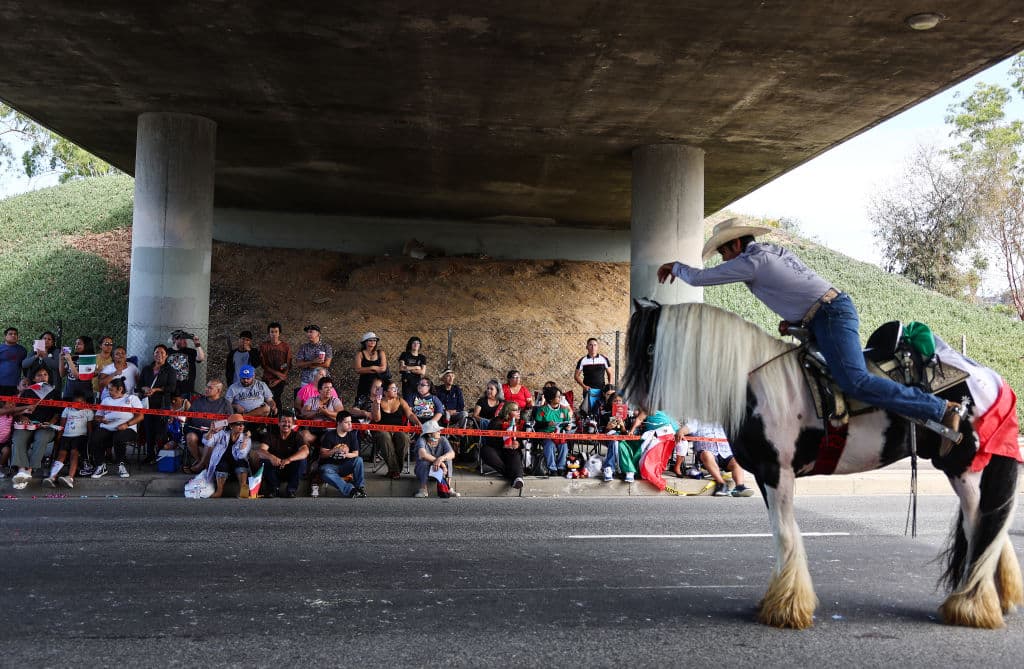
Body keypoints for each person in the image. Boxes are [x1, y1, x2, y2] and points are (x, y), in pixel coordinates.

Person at [657, 217, 960, 451]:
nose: (724, 260)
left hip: (830, 316)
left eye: (724, 252)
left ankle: (940, 409)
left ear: (735, 245)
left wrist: (677, 267)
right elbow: (799, 289)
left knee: (854, 381)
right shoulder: (772, 252)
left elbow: (700, 278)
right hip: (823, 316)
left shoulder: (751, 261)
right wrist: (795, 323)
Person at [9, 367, 61, 489]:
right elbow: (17, 410)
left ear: (49, 377)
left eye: (45, 374)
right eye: (39, 375)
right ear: (33, 378)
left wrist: (50, 422)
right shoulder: (27, 392)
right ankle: (21, 469)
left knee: (41, 437)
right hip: (28, 425)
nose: (42, 377)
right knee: (18, 437)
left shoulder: (54, 392)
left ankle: (29, 470)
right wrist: (22, 416)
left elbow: (58, 412)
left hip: (46, 426)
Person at [88, 378, 144, 480]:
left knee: (119, 436)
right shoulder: (106, 400)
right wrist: (102, 420)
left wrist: (127, 424)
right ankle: (100, 465)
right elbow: (97, 417)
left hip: (127, 428)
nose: (109, 392)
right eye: (108, 389)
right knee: (95, 437)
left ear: (120, 389)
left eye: (111, 390)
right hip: (107, 427)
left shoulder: (132, 398)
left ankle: (121, 465)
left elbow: (140, 416)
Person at [686, 419, 754, 497]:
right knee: (706, 454)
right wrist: (681, 432)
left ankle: (740, 487)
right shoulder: (697, 421)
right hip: (708, 453)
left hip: (726, 453)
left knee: (737, 460)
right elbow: (685, 429)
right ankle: (722, 484)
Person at [44, 388, 94, 488]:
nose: (78, 405)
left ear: (84, 402)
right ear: (72, 402)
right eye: (75, 403)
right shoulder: (67, 409)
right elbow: (62, 425)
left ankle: (70, 478)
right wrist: (59, 436)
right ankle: (52, 476)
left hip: (80, 437)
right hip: (66, 436)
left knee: (74, 453)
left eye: (80, 403)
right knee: (61, 454)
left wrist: (90, 439)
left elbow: (90, 428)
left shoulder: (88, 411)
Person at [254, 409, 308, 498]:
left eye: (289, 422)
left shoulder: (296, 436)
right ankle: (274, 489)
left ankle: (291, 490)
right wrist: (271, 457)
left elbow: (305, 451)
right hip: (275, 468)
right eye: (283, 421)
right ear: (278, 423)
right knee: (263, 460)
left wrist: (289, 460)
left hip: (290, 468)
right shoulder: (271, 435)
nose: (286, 424)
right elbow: (261, 450)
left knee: (302, 461)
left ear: (292, 424)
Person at [182, 379, 232, 474]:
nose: (206, 389)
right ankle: (202, 463)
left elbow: (230, 420)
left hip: (214, 432)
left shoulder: (225, 403)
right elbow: (189, 417)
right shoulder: (198, 401)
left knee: (211, 438)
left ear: (218, 391)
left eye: (210, 388)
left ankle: (200, 465)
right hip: (197, 430)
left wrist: (219, 425)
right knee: (190, 437)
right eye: (206, 387)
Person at [371, 380, 418, 479]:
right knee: (385, 436)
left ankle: (394, 470)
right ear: (385, 392)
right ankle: (395, 470)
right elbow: (376, 419)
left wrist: (418, 424)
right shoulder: (378, 401)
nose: (396, 390)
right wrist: (377, 404)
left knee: (404, 438)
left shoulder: (400, 400)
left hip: (398, 430)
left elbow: (410, 414)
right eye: (393, 388)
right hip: (381, 431)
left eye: (396, 388)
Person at [199, 413, 253, 498]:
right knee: (222, 465)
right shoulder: (222, 434)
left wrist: (245, 440)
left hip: (237, 463)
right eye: (238, 424)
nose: (241, 426)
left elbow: (241, 455)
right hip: (223, 463)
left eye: (243, 424)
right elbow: (207, 442)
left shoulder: (246, 439)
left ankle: (243, 490)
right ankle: (219, 491)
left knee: (242, 463)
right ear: (231, 426)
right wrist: (211, 431)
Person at [139, 344, 177, 464]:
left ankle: (161, 456)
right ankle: (150, 455)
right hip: (147, 404)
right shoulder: (146, 369)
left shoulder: (170, 370)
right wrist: (144, 389)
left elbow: (172, 388)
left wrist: (156, 390)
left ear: (166, 355)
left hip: (162, 404)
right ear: (153, 354)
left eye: (161, 353)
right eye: (156, 352)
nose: (158, 355)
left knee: (161, 430)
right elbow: (139, 385)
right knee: (148, 430)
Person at [318, 411, 367, 498]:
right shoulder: (330, 435)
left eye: (350, 422)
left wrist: (346, 454)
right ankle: (351, 490)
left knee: (359, 460)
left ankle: (360, 488)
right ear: (339, 423)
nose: (350, 425)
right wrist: (334, 450)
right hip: (331, 466)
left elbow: (356, 454)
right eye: (346, 422)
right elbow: (322, 454)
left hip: (345, 466)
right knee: (325, 472)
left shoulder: (352, 435)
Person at [479, 401, 525, 490]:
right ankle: (515, 476)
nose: (519, 412)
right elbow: (490, 440)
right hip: (496, 449)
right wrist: (503, 444)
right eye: (516, 410)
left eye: (519, 410)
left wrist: (518, 443)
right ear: (508, 412)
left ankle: (517, 478)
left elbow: (524, 440)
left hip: (510, 451)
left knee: (515, 453)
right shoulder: (496, 422)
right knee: (485, 451)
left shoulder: (520, 423)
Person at [534, 385, 570, 477]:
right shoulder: (543, 410)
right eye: (558, 396)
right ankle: (552, 469)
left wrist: (568, 427)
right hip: (546, 435)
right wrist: (547, 424)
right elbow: (537, 424)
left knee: (564, 446)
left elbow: (568, 422)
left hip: (560, 436)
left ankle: (561, 467)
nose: (560, 398)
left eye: (560, 396)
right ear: (550, 398)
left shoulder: (563, 410)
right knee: (550, 446)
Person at [413, 420, 454, 498]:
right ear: (429, 434)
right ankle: (423, 489)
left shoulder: (443, 439)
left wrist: (441, 459)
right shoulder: (422, 440)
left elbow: (452, 454)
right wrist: (440, 462)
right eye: (437, 430)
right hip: (423, 471)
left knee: (448, 459)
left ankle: (447, 487)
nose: (439, 431)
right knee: (424, 462)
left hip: (438, 471)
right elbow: (422, 454)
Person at [299, 376, 344, 442]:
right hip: (313, 431)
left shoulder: (335, 400)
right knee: (303, 435)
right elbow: (304, 413)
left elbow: (342, 415)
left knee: (327, 437)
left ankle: (320, 452)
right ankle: (307, 451)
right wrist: (317, 412)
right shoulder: (312, 400)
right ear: (319, 390)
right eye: (326, 387)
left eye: (331, 387)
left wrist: (326, 412)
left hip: (329, 431)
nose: (329, 390)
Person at [259, 322, 291, 412]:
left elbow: (287, 364)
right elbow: (264, 365)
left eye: (276, 332)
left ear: (279, 333)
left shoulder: (285, 347)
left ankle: (278, 422)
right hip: (267, 378)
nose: (274, 334)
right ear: (269, 333)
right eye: (272, 332)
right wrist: (277, 373)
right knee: (266, 400)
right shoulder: (264, 346)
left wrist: (279, 379)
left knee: (277, 398)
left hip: (280, 380)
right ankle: (267, 424)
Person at [574, 337, 612, 414]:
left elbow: (610, 373)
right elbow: (576, 376)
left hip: (602, 389)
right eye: (590, 345)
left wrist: (609, 386)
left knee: (600, 410)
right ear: (587, 347)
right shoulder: (582, 360)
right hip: (588, 390)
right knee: (588, 411)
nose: (593, 347)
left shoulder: (604, 359)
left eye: (595, 345)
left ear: (597, 347)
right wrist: (584, 386)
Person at [166, 330, 206, 397]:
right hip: (170, 389)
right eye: (181, 339)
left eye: (185, 339)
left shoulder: (190, 351)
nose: (184, 341)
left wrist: (197, 344)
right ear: (174, 340)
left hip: (186, 389)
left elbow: (201, 358)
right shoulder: (167, 352)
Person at [600, 416, 639, 483]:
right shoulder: (606, 414)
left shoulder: (630, 416)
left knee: (618, 443)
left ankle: (609, 467)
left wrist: (623, 427)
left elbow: (630, 436)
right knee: (615, 441)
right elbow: (600, 437)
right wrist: (607, 428)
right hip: (611, 439)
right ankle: (628, 469)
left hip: (625, 443)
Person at [293, 324, 333, 389]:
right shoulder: (303, 347)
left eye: (311, 332)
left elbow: (327, 364)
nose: (308, 334)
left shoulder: (326, 347)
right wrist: (313, 361)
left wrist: (310, 365)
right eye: (308, 332)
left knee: (323, 398)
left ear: (318, 334)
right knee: (306, 398)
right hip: (306, 380)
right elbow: (299, 364)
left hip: (323, 381)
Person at [59, 335, 96, 402]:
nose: (76, 346)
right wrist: (61, 359)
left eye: (79, 344)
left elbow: (78, 377)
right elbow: (62, 374)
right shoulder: (73, 357)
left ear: (87, 345)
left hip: (84, 397)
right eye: (76, 343)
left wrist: (69, 360)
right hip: (69, 394)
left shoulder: (89, 359)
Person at [353, 331, 387, 404]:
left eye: (374, 340)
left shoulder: (381, 352)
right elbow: (358, 369)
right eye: (370, 340)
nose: (373, 342)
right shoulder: (360, 354)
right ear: (365, 342)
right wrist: (373, 368)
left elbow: (383, 368)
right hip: (364, 382)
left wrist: (370, 368)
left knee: (378, 401)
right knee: (361, 402)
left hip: (379, 383)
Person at [0, 327, 28, 397]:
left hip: (15, 384)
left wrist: (25, 378)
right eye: (10, 334)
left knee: (11, 406)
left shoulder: (22, 350)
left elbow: (24, 366)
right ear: (5, 336)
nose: (13, 335)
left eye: (15, 334)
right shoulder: (0, 348)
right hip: (0, 382)